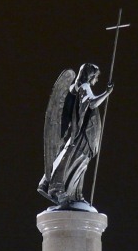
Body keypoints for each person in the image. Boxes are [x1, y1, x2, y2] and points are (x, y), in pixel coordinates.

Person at [38, 63, 114, 207]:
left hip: (80, 133)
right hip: (83, 135)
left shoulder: (76, 88)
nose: (97, 80)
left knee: (76, 162)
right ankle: (63, 190)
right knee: (77, 162)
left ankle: (75, 195)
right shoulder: (84, 87)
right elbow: (91, 104)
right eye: (96, 77)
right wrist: (107, 93)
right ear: (90, 75)